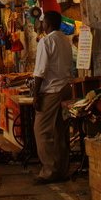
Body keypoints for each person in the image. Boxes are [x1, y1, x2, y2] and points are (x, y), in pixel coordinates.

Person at [32, 10, 72, 184]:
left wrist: (35, 94)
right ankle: (61, 169)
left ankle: (49, 171)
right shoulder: (64, 39)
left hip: (52, 91)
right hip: (65, 88)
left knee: (41, 130)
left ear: (46, 24)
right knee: (59, 131)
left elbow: (40, 71)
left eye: (42, 23)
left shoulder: (46, 41)